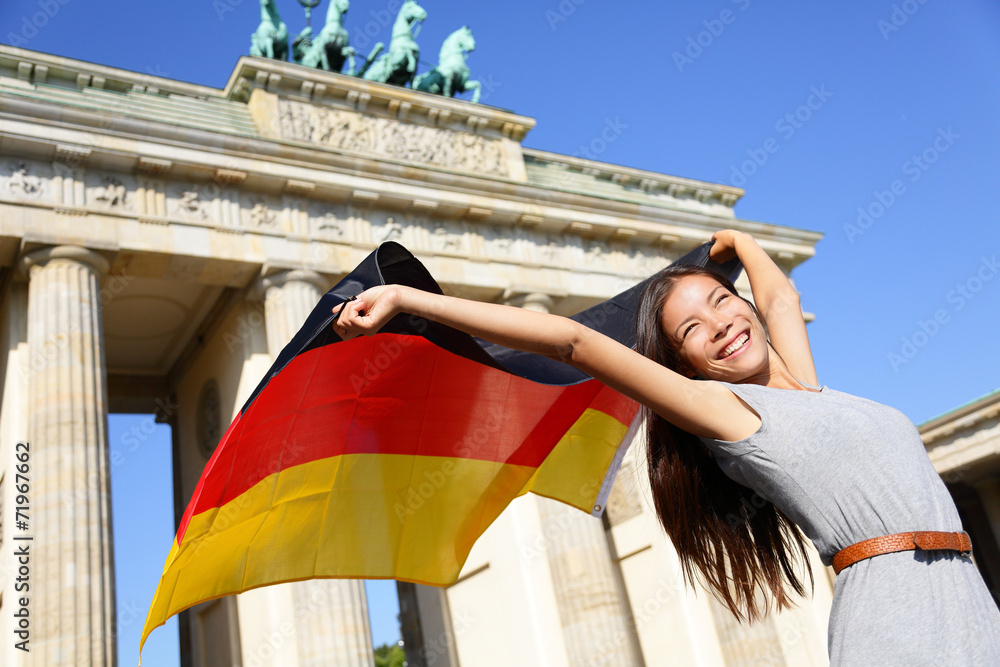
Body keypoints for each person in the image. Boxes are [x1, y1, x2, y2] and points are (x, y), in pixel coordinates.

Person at [332, 229, 1000, 664]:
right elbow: (574, 342)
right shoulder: (730, 412)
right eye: (692, 328)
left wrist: (739, 241)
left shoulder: (808, 388)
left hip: (967, 593)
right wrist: (411, 298)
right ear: (688, 365)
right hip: (895, 614)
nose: (721, 323)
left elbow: (780, 294)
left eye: (720, 301)